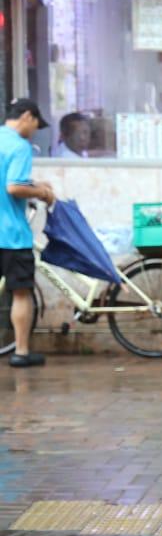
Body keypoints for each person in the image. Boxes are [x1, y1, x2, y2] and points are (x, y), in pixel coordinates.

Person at [1, 98, 55, 369]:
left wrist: (32, 183)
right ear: (26, 116)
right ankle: (21, 352)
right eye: (35, 124)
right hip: (10, 235)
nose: (34, 131)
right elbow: (13, 187)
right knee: (21, 293)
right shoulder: (20, 146)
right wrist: (41, 193)